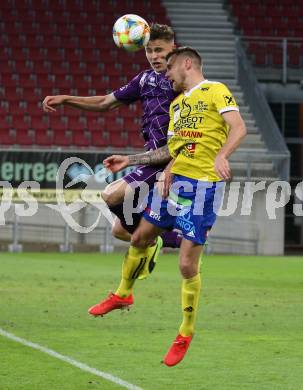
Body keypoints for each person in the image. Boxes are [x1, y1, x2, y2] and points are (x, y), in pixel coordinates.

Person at [89, 47, 247, 367]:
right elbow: (171, 152)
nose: (168, 74)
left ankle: (185, 332)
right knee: (139, 237)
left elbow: (238, 128)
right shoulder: (177, 106)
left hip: (202, 187)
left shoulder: (216, 91)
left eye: (171, 68)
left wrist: (222, 155)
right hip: (172, 185)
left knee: (187, 266)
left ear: (186, 63)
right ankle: (123, 293)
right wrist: (130, 160)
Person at [42, 24, 182, 279]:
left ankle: (159, 239)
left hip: (171, 158)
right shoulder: (145, 80)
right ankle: (173, 240)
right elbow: (107, 102)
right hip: (152, 157)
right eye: (149, 50)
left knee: (112, 194)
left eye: (160, 50)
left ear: (174, 48)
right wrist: (66, 99)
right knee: (119, 230)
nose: (154, 56)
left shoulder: (184, 82)